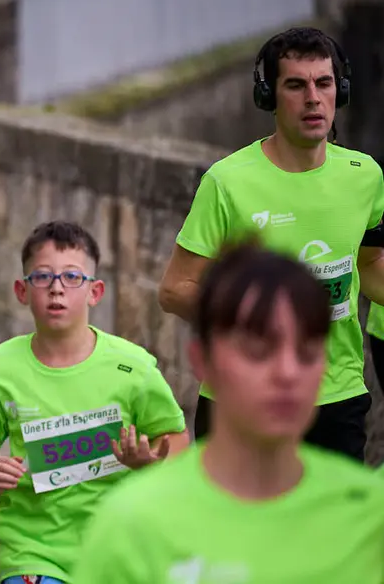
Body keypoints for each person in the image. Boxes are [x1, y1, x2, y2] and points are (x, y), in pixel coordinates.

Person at [75, 243, 384, 581]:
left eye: (307, 353)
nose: (288, 373)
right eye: (258, 350)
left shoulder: (368, 514)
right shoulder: (132, 526)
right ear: (202, 360)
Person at [158, 27, 384, 462]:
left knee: (333, 532)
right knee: (236, 532)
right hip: (243, 399)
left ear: (341, 89)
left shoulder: (365, 175)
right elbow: (175, 289)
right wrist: (253, 322)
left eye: (324, 83)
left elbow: (371, 262)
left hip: (338, 396)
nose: (313, 98)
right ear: (270, 97)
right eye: (295, 85)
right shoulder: (227, 182)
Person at [0, 221, 189, 584]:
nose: (56, 290)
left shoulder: (132, 367)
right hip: (32, 551)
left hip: (118, 547)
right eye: (42, 277)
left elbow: (175, 439)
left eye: (72, 277)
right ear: (22, 290)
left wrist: (148, 461)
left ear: (95, 292)